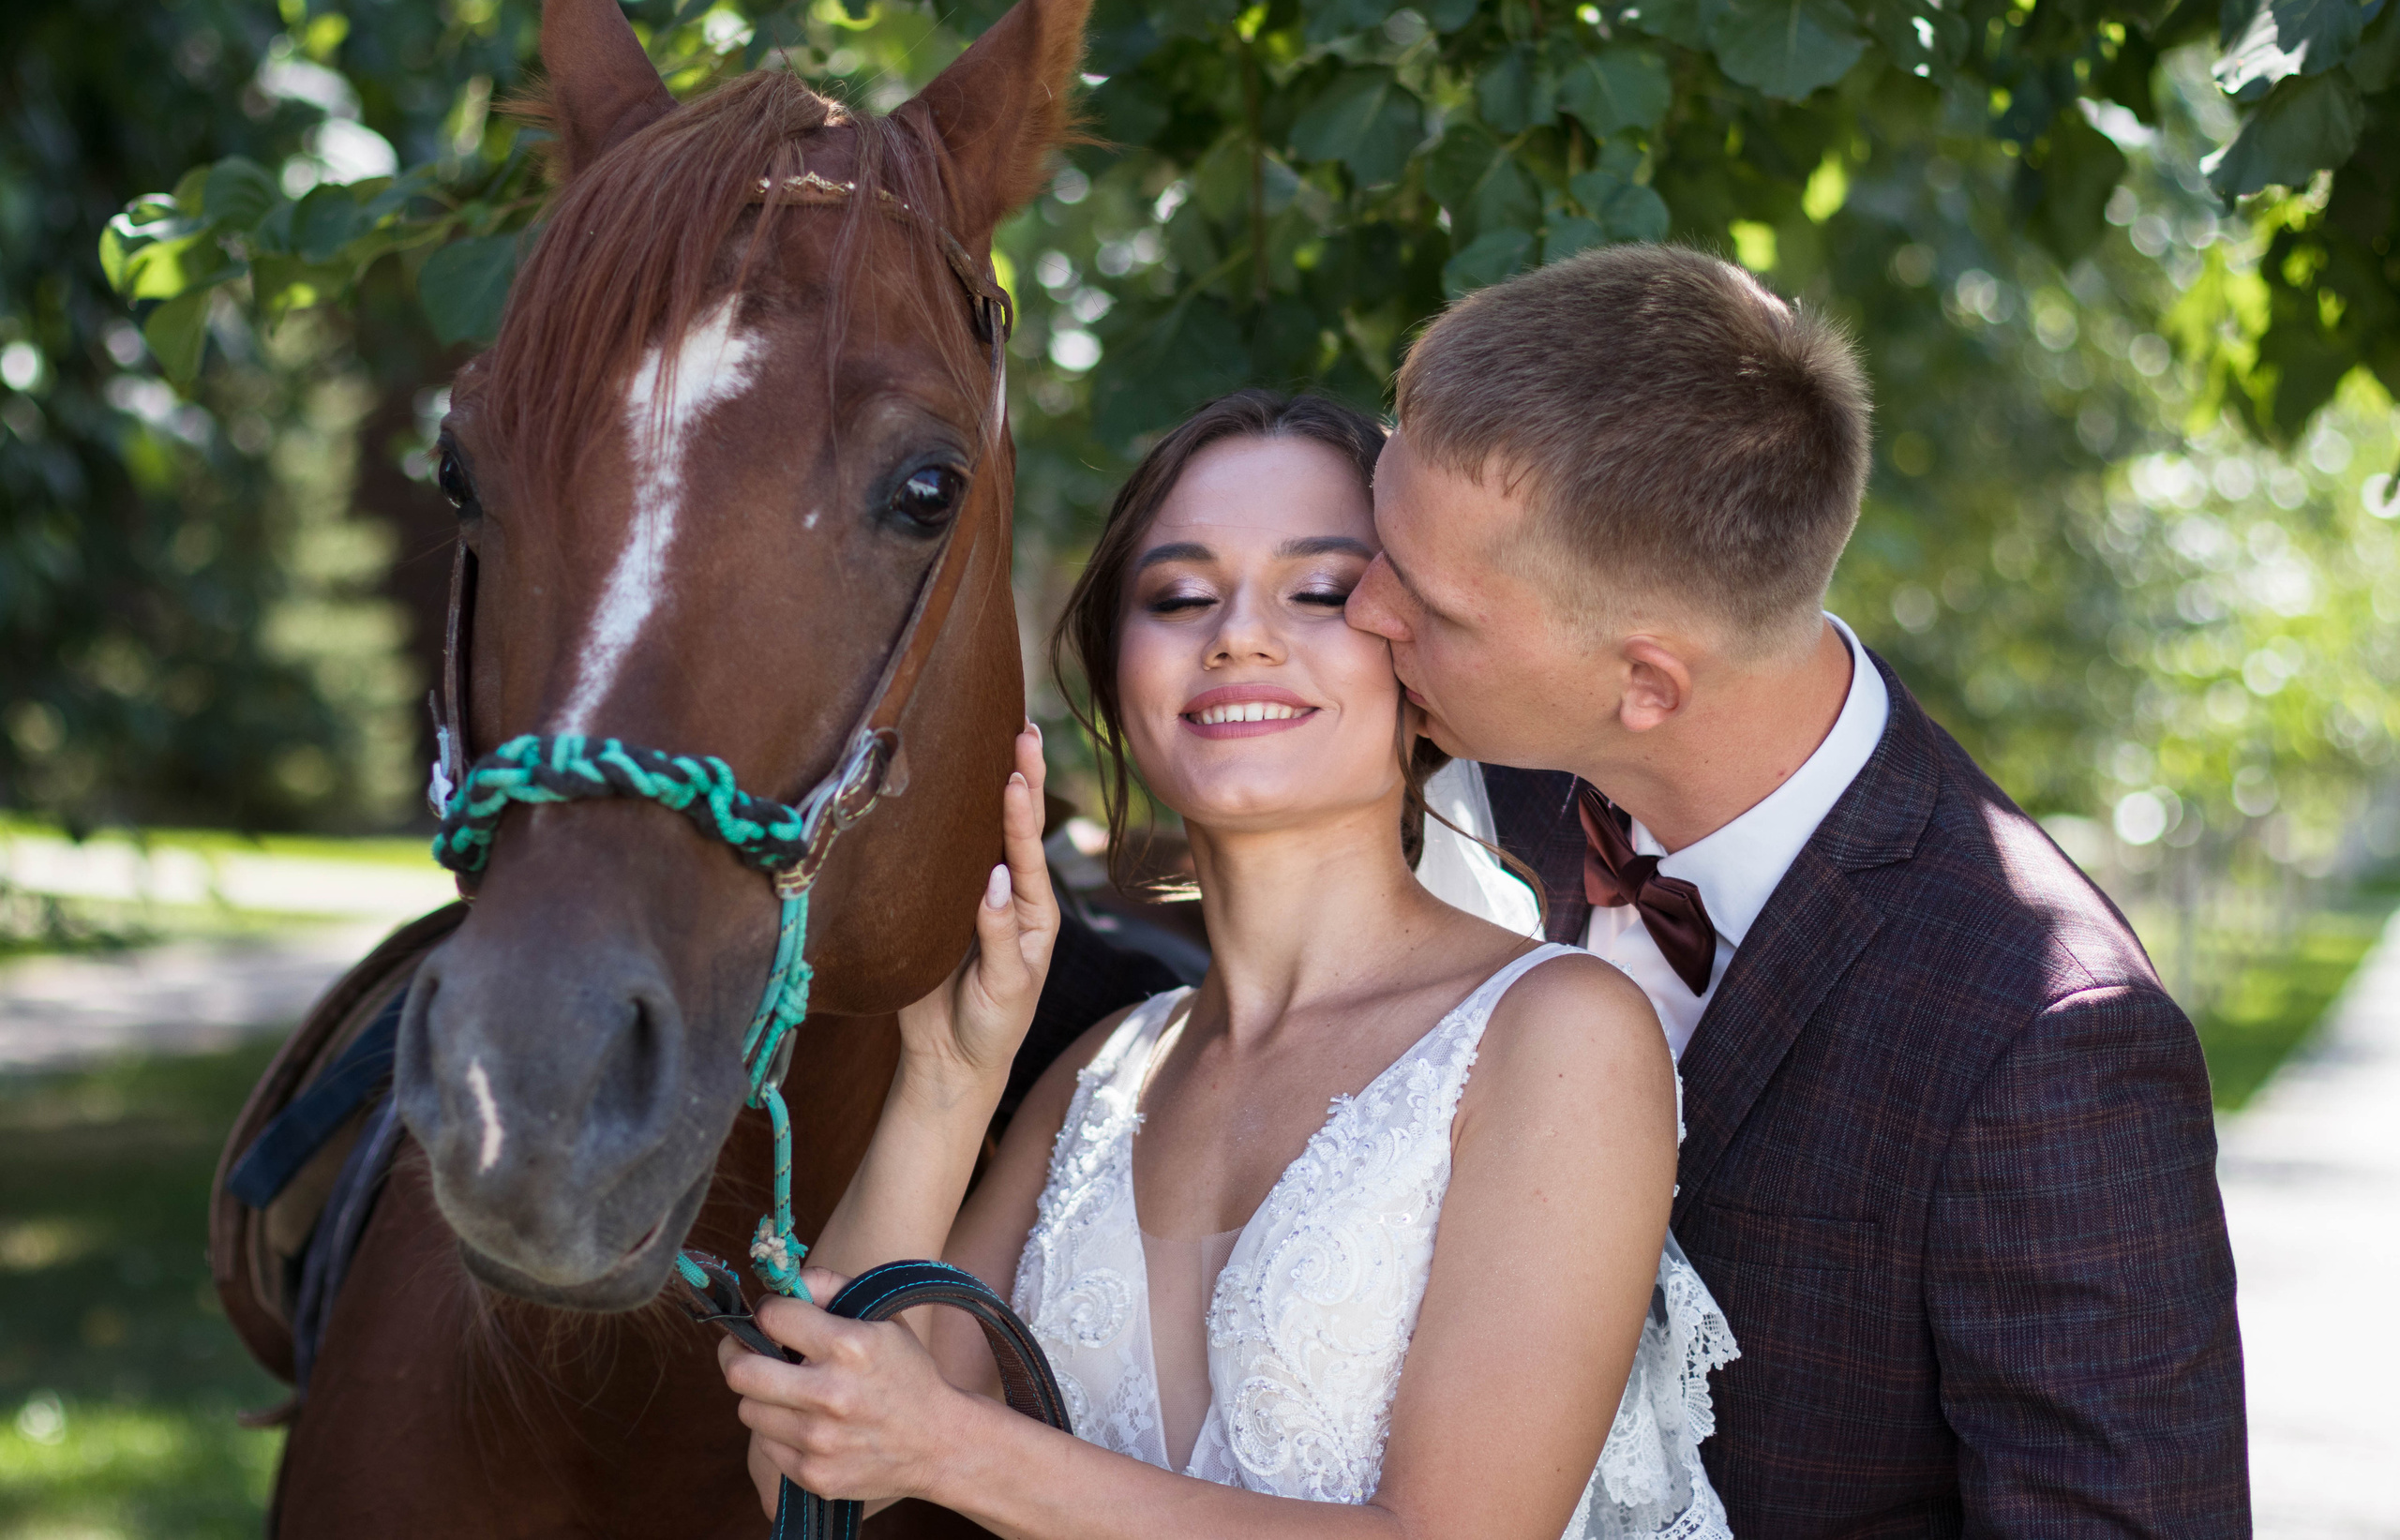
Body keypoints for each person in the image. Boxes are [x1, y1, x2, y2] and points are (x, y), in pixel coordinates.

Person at [717, 391, 1737, 1539]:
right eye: (1180, 597)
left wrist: (956, 1446)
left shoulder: (1558, 1033)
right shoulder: (1099, 1078)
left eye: (1317, 592)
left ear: (1426, 668)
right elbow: (810, 1475)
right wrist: (949, 1081)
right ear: (1117, 674)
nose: (1238, 635)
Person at [1342, 243, 2249, 1535]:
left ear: (1648, 684)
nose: (1362, 609)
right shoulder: (1485, 781)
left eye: (1427, 600)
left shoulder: (2045, 1038)